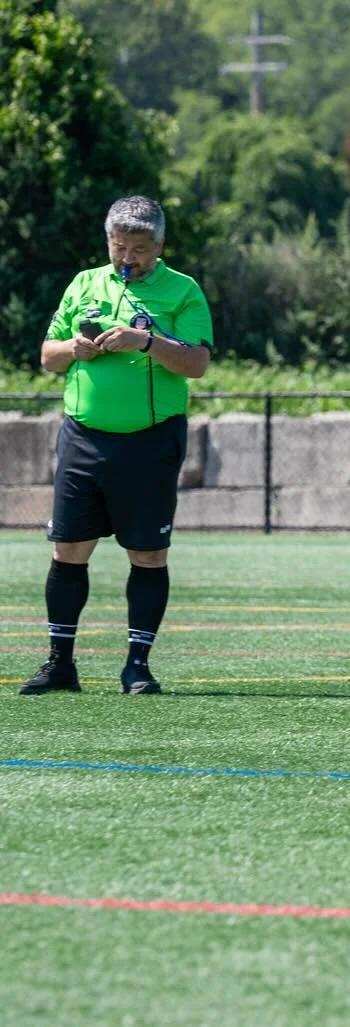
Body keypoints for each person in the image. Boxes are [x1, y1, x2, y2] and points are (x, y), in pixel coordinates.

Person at [20, 196, 213, 695]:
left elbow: (196, 364)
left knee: (148, 554)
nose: (128, 258)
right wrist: (74, 350)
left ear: (160, 245)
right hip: (83, 436)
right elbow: (48, 356)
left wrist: (146, 342)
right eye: (120, 247)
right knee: (68, 550)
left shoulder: (183, 292)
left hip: (150, 442)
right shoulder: (84, 283)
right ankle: (60, 664)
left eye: (140, 249)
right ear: (108, 242)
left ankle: (137, 666)